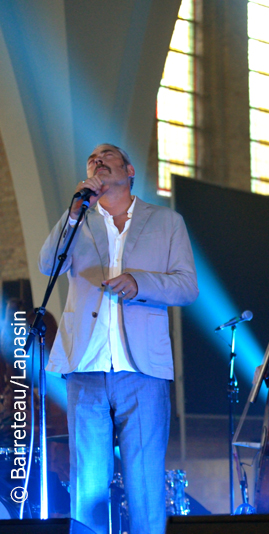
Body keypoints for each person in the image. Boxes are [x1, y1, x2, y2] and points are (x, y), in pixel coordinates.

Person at [39, 144, 198, 534]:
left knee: (144, 483)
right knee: (87, 486)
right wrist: (74, 211)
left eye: (108, 155)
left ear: (129, 171)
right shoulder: (79, 221)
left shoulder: (167, 222)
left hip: (141, 370)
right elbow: (47, 264)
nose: (97, 160)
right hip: (86, 367)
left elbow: (187, 287)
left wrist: (139, 282)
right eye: (92, 158)